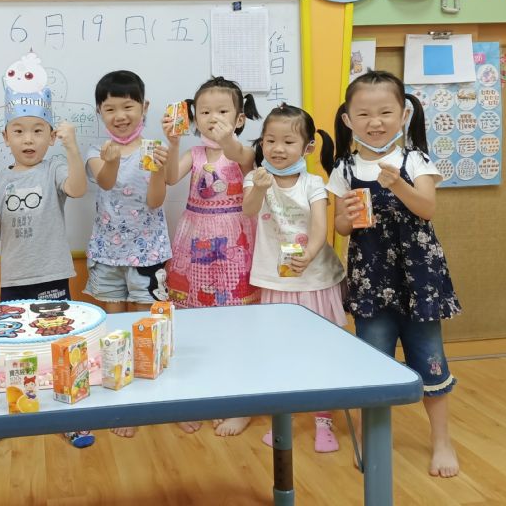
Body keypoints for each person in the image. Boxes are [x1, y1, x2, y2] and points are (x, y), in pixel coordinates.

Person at [327, 70, 460, 478]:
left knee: (430, 359)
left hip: (418, 280)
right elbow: (340, 228)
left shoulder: (415, 160)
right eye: (364, 114)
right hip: (371, 279)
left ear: (403, 115)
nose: (375, 122)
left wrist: (398, 184)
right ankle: (368, 438)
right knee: (373, 361)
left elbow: (427, 208)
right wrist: (347, 217)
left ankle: (442, 440)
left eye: (385, 112)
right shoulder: (344, 167)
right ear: (348, 119)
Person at [0, 51, 93, 451]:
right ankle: (12, 416)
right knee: (13, 349)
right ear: (5, 137)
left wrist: (72, 149)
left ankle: (69, 418)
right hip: (14, 279)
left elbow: (77, 189)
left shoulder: (53, 168)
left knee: (59, 348)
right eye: (19, 131)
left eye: (38, 131)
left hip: (52, 275)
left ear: (51, 136)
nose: (28, 139)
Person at [242, 103, 345, 447]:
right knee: (279, 350)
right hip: (276, 281)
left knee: (322, 349)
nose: (278, 149)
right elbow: (248, 210)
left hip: (315, 280)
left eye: (288, 142)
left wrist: (309, 255)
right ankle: (282, 419)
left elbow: (320, 226)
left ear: (307, 147)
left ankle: (323, 420)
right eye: (270, 140)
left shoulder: (314, 183)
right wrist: (259, 187)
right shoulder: (256, 178)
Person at [85, 70, 171, 438]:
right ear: (100, 113)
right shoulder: (97, 152)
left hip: (147, 255)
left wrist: (159, 169)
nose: (120, 115)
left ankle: (152, 402)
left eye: (128, 106)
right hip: (107, 255)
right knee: (114, 332)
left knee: (146, 330)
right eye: (110, 109)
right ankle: (121, 403)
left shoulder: (154, 149)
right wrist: (113, 159)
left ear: (144, 107)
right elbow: (105, 181)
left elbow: (155, 201)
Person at [163, 76, 261, 311]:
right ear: (195, 119)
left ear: (239, 119)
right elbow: (170, 178)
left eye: (222, 111)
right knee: (198, 294)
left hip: (234, 235)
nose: (213, 117)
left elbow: (236, 153)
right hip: (196, 233)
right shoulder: (195, 153)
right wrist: (173, 144)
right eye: (205, 112)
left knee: (234, 297)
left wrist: (226, 139)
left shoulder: (245, 152)